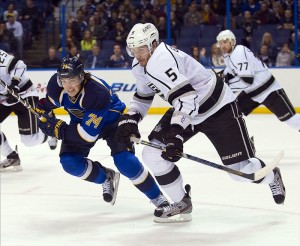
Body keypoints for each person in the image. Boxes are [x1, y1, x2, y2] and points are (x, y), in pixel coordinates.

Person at [115, 23, 286, 223]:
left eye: (141, 49)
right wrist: (132, 117)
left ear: (153, 44)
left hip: (218, 108)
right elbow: (143, 96)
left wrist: (176, 133)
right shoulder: (140, 66)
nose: (137, 55)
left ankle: (271, 176)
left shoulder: (161, 60)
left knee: (240, 172)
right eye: (133, 50)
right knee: (152, 154)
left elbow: (187, 98)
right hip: (187, 108)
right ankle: (181, 202)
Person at [36, 55, 169, 210]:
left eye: (72, 80)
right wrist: (43, 114)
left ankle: (158, 198)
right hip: (81, 123)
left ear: (81, 77)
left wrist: (59, 129)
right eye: (64, 81)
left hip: (112, 123)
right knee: (69, 163)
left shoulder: (97, 92)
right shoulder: (56, 86)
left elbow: (87, 135)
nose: (68, 86)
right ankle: (105, 177)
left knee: (125, 161)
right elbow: (48, 104)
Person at [216, 30, 300, 132]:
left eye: (225, 42)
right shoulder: (227, 56)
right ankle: (245, 142)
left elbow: (247, 80)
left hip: (269, 90)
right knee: (232, 116)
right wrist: (222, 74)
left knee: (292, 120)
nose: (222, 45)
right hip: (252, 93)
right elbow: (231, 68)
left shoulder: (239, 52)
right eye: (220, 43)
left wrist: (226, 87)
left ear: (232, 42)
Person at [0, 49, 57, 172]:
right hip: (4, 99)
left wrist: (14, 85)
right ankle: (12, 156)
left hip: (24, 95)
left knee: (29, 141)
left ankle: (50, 134)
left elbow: (19, 65)